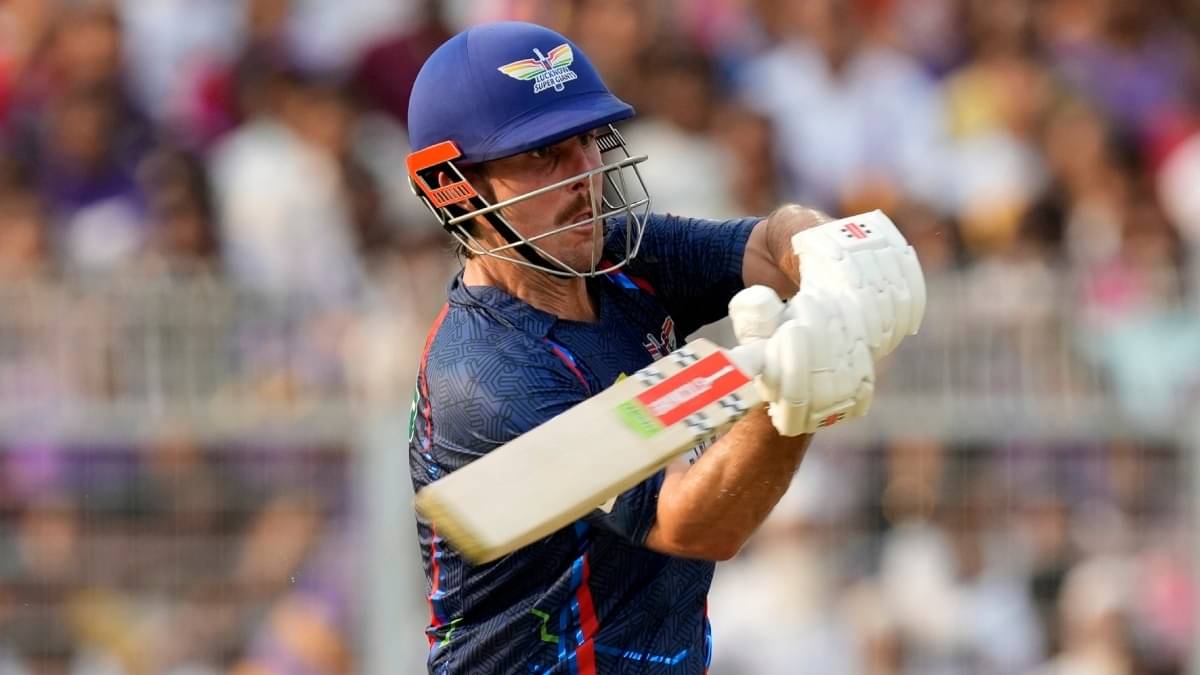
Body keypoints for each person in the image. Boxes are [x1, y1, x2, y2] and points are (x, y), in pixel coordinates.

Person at [405, 21, 920, 674]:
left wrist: (822, 250)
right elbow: (694, 523)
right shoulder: (485, 376)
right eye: (543, 155)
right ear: (455, 186)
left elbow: (768, 244)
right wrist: (791, 400)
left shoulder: (620, 256)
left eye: (587, 141)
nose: (585, 174)